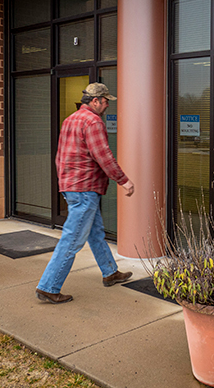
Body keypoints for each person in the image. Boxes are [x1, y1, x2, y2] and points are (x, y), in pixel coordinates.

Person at [36, 82, 135, 304]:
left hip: (72, 187)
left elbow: (60, 156)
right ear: (94, 101)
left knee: (96, 232)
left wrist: (64, 183)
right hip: (85, 189)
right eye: (105, 100)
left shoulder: (70, 120)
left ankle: (110, 272)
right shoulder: (93, 122)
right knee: (72, 239)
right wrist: (123, 180)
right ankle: (48, 286)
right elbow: (103, 155)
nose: (108, 104)